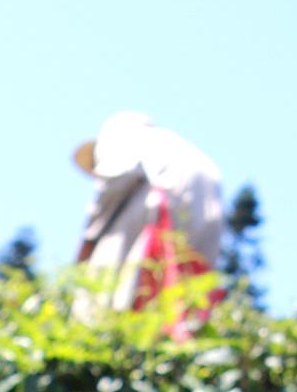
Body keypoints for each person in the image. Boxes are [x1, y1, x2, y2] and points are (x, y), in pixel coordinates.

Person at [71, 110, 228, 333]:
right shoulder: (179, 148)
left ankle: (103, 332)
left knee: (112, 277)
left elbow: (112, 184)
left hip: (155, 209)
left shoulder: (124, 137)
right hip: (198, 232)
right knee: (176, 298)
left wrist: (89, 243)